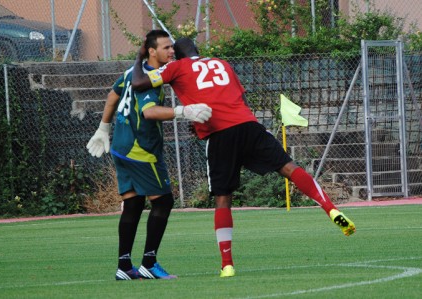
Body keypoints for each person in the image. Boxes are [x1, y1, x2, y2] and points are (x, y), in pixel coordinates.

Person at [131, 37, 356, 278]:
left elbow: (139, 83)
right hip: (248, 124)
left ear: (178, 54)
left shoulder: (177, 67)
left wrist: (139, 57)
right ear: (198, 50)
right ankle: (331, 210)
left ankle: (227, 264)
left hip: (220, 135)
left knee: (223, 198)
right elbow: (241, 98)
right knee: (289, 168)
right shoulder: (222, 64)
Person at [86, 31, 212, 281]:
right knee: (163, 202)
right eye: (166, 47)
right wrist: (183, 111)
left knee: (132, 204)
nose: (171, 51)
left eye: (171, 47)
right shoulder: (151, 79)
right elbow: (150, 112)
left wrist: (104, 128)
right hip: (140, 151)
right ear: (151, 51)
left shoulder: (131, 73)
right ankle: (149, 263)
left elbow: (113, 95)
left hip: (121, 149)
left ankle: (124, 267)